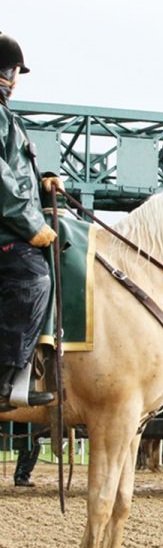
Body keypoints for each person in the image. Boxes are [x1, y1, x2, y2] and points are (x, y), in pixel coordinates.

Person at [0, 32, 61, 409]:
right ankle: (7, 376)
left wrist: (42, 182)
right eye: (13, 71)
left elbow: (14, 173)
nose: (15, 80)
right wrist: (30, 222)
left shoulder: (7, 117)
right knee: (34, 278)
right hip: (6, 231)